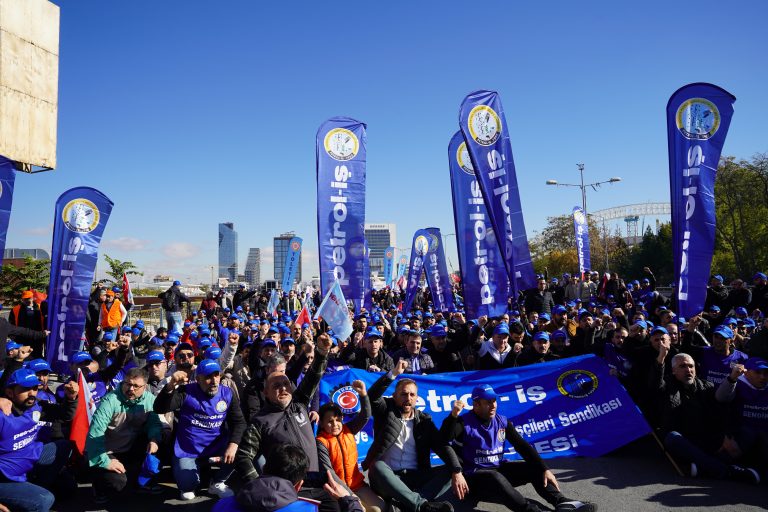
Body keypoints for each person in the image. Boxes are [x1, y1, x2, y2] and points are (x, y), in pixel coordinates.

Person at [440, 384, 595, 512]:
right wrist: (453, 415)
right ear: (476, 404)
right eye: (488, 402)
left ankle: (562, 502)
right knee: (494, 476)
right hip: (472, 480)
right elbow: (443, 440)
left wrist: (544, 469)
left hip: (496, 470)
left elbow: (522, 446)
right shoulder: (463, 422)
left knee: (534, 468)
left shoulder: (502, 421)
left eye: (494, 400)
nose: (493, 405)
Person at [236, 334, 340, 512]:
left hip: (318, 482)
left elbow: (313, 376)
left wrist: (322, 352)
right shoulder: (259, 422)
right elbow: (243, 457)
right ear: (266, 392)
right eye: (276, 386)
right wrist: (260, 486)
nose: (283, 388)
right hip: (288, 493)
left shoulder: (299, 403)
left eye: (286, 383)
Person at [363, 359, 462, 512]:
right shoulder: (385, 411)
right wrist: (394, 373)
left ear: (417, 398)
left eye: (412, 395)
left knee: (453, 467)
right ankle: (422, 506)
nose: (408, 398)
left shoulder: (424, 421)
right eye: (403, 394)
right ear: (394, 396)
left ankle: (408, 503)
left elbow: (442, 446)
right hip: (388, 479)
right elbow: (371, 397)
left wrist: (457, 471)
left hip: (416, 478)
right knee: (377, 466)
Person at [154, 359, 246, 500]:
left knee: (241, 447)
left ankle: (217, 482)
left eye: (216, 375)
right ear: (198, 379)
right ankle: (191, 477)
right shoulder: (186, 391)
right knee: (187, 489)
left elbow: (239, 422)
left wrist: (233, 445)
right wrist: (171, 385)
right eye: (208, 377)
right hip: (188, 447)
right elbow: (159, 408)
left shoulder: (227, 393)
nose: (214, 381)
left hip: (217, 445)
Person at [0, 368, 78, 512]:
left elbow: (64, 415)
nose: (32, 393)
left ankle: (35, 487)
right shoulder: (2, 415)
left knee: (65, 446)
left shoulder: (36, 405)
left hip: (28, 460)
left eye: (35, 388)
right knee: (44, 499)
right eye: (25, 389)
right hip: (6, 477)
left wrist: (71, 398)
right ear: (10, 393)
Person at [86, 367, 165, 504]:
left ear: (144, 387)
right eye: (127, 384)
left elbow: (154, 424)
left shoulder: (150, 400)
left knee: (160, 442)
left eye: (136, 386)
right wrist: (106, 461)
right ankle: (99, 486)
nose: (131, 389)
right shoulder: (110, 401)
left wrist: (154, 439)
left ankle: (141, 482)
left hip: (131, 447)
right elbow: (94, 434)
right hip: (108, 451)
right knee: (118, 483)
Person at [213, 444, 365, 512]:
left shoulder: (221, 505)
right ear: (299, 486)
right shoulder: (310, 509)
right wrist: (348, 500)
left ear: (264, 469)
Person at [316, 380, 385, 512]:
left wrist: (363, 395)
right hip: (337, 489)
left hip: (358, 485)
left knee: (379, 508)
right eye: (330, 421)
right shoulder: (320, 442)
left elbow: (365, 415)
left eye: (337, 420)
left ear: (342, 418)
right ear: (321, 424)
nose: (335, 424)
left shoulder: (349, 429)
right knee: (359, 509)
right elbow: (329, 472)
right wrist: (349, 495)